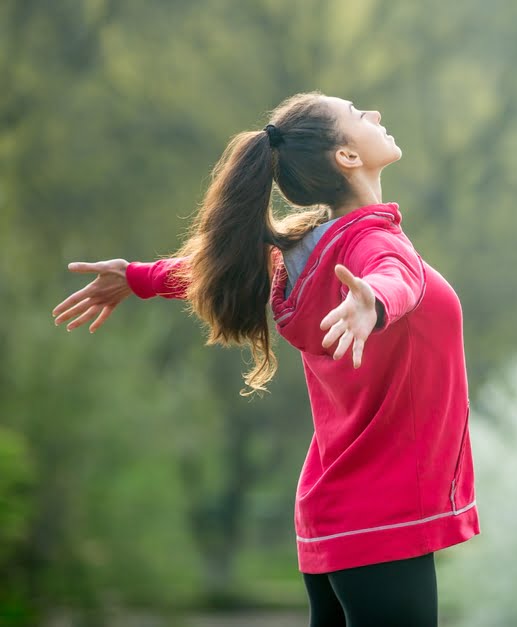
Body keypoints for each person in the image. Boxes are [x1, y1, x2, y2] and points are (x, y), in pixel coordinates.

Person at [50, 92, 479, 627]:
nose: (374, 115)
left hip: (337, 515)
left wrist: (137, 277)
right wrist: (375, 299)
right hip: (380, 518)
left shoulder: (308, 250)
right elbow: (395, 273)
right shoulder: (370, 243)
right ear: (346, 157)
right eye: (356, 114)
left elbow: (223, 266)